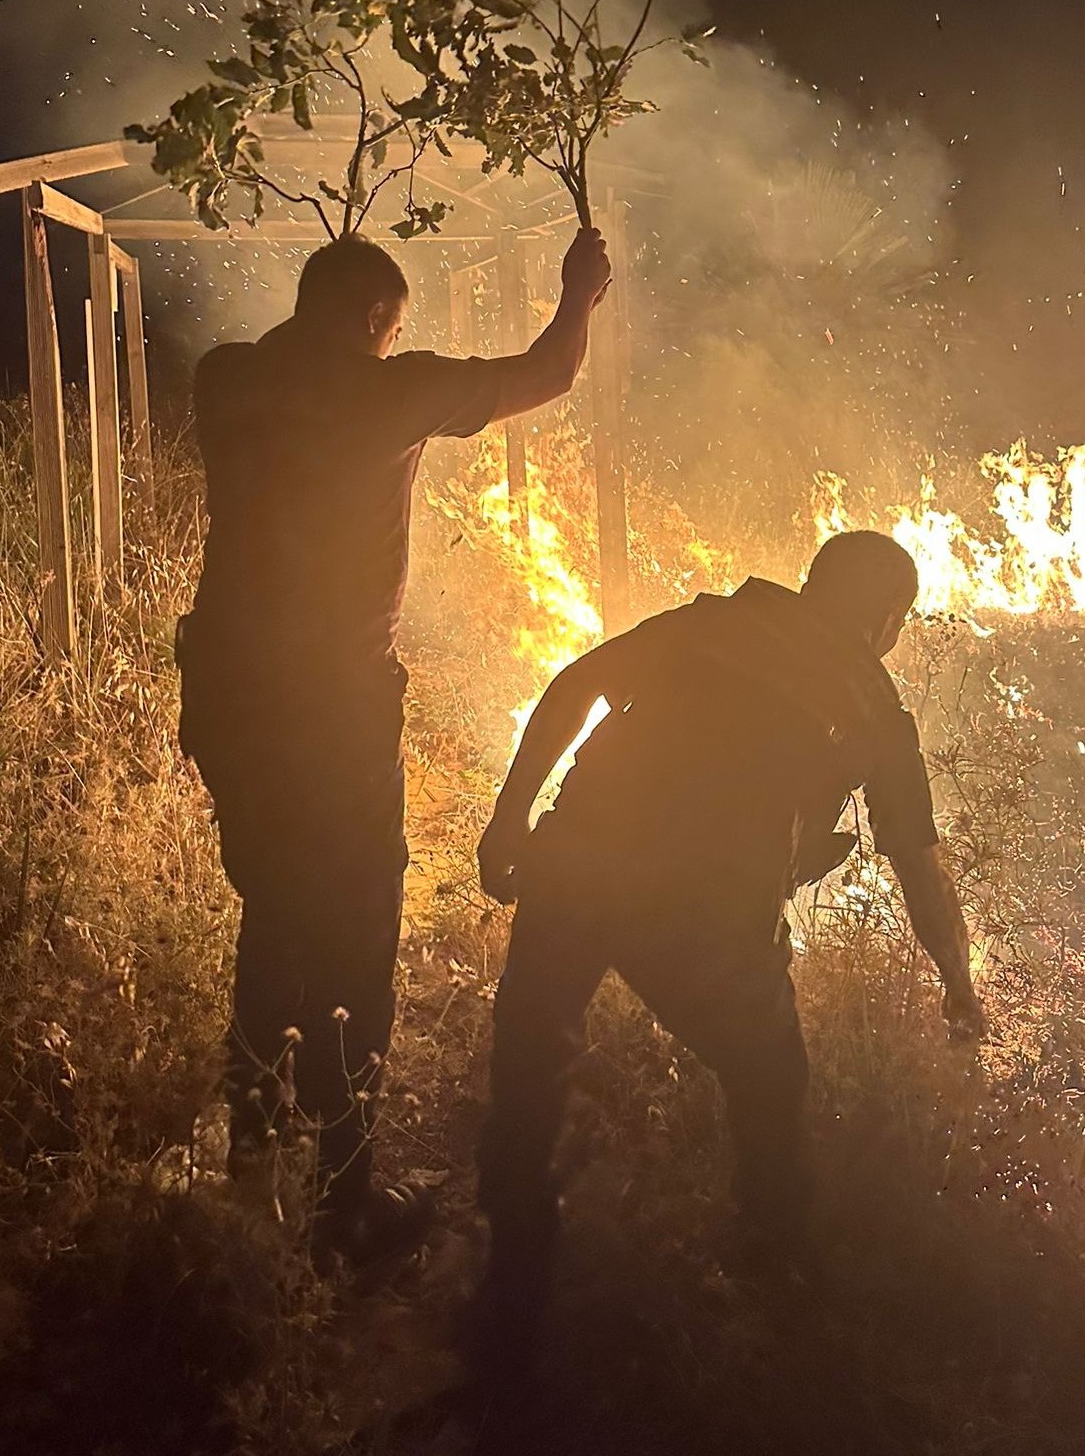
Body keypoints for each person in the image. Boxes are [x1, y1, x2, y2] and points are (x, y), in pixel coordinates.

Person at [177, 226, 612, 1263]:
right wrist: (578, 294)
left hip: (229, 694)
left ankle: (252, 1157)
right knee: (357, 935)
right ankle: (344, 1199)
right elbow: (548, 373)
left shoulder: (225, 377)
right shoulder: (394, 390)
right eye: (394, 325)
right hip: (329, 706)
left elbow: (297, 366)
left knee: (276, 905)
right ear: (378, 319)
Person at [474, 530, 986, 1329]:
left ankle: (511, 1270)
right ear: (888, 618)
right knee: (772, 1079)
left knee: (532, 1053)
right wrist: (960, 986)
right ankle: (777, 1270)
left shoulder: (712, 621)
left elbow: (577, 684)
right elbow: (922, 873)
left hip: (579, 858)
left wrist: (511, 820)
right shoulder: (872, 709)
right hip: (702, 913)